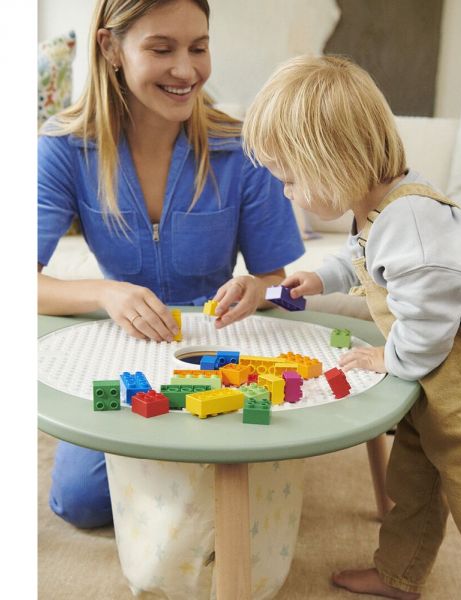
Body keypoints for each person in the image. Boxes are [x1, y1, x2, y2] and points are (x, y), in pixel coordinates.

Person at [242, 55, 461, 599]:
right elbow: (363, 260)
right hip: (435, 396)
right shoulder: (377, 209)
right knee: (412, 489)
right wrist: (317, 280)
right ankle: (399, 574)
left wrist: (387, 359)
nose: (287, 193)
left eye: (291, 179)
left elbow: (430, 327)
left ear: (333, 161)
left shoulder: (416, 225)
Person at [38, 0, 304, 529]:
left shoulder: (241, 147)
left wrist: (256, 287)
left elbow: (281, 282)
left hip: (219, 347)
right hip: (121, 346)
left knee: (238, 486)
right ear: (111, 48)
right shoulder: (66, 148)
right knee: (81, 502)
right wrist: (105, 294)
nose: (187, 70)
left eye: (199, 48)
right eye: (162, 49)